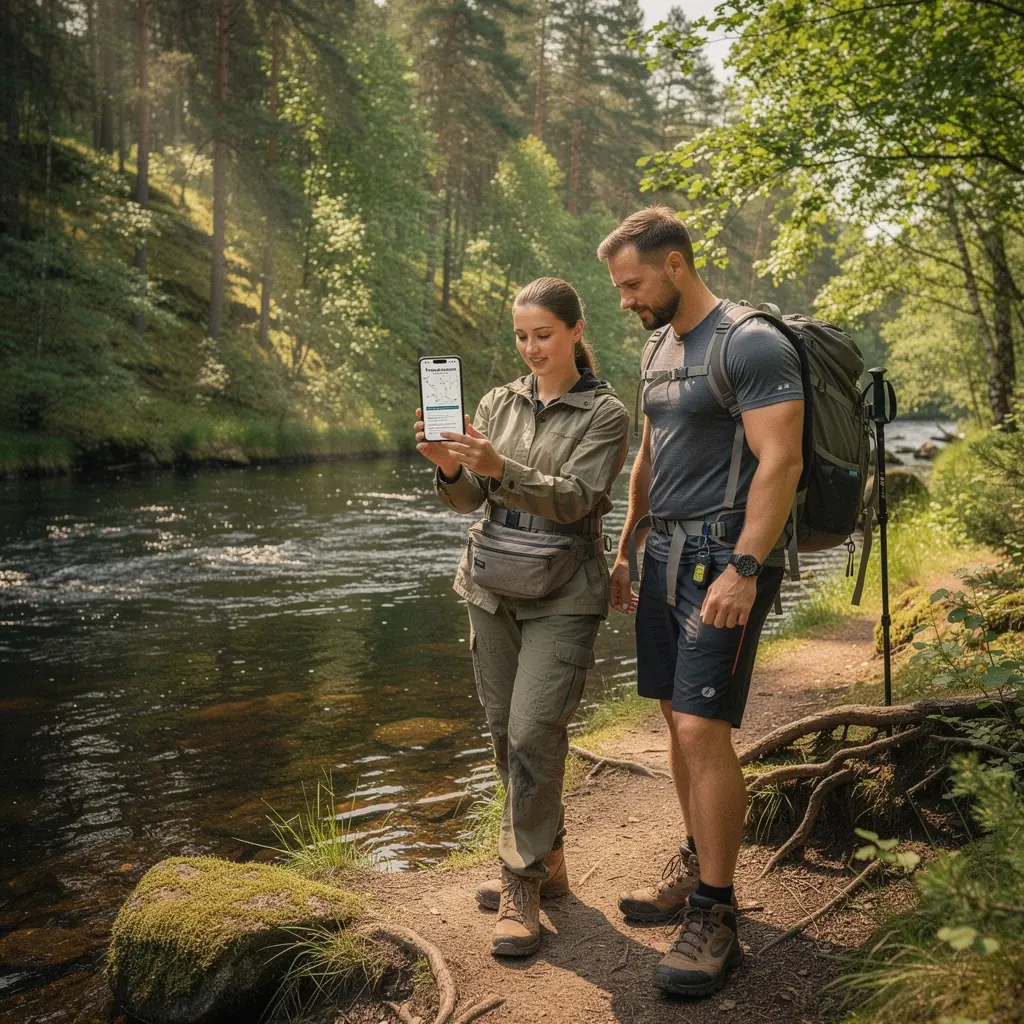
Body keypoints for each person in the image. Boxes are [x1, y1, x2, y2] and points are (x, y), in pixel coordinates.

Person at [598, 206, 804, 997]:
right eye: (618, 288)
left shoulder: (750, 343)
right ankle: (697, 862)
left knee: (699, 723)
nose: (625, 299)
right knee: (671, 721)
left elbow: (778, 462)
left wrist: (745, 569)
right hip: (664, 554)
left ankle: (718, 915)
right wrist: (626, 545)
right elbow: (650, 450)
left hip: (725, 558)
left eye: (633, 283)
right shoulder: (657, 344)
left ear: (676, 264)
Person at [415, 277, 630, 959]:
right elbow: (467, 503)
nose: (531, 348)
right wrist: (451, 468)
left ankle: (519, 885)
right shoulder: (494, 403)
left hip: (565, 591)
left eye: (543, 334)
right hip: (490, 587)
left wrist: (499, 465)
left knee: (535, 730)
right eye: (521, 336)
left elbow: (576, 500)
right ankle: (547, 858)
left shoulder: (606, 414)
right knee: (503, 736)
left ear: (573, 331)